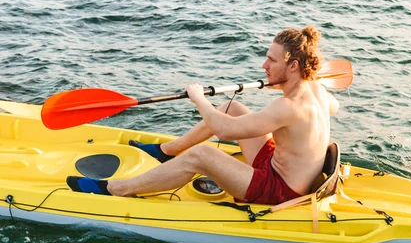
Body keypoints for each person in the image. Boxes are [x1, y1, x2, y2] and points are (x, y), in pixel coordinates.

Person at [66, 25, 339, 205]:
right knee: (232, 107)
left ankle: (116, 189)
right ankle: (165, 151)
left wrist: (198, 98)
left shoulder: (288, 107)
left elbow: (226, 131)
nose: (264, 65)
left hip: (280, 190)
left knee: (202, 155)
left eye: (272, 61)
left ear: (293, 65)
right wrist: (286, 83)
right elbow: (331, 107)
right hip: (278, 165)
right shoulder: (317, 91)